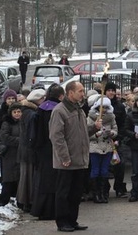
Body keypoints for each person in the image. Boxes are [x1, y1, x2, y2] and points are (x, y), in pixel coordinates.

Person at [49, 81, 101, 232]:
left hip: (80, 160)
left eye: (83, 91)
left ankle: (72, 220)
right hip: (67, 161)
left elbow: (82, 132)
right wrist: (64, 157)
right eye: (80, 91)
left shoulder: (79, 110)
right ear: (70, 93)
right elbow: (56, 136)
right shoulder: (60, 111)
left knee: (76, 193)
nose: (83, 94)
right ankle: (62, 221)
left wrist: (93, 128)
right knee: (63, 193)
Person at [31, 84, 65, 220]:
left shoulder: (41, 109)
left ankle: (42, 209)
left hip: (42, 148)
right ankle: (52, 210)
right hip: (54, 148)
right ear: (61, 96)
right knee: (54, 180)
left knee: (44, 180)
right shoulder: (57, 110)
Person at [17, 88, 46, 213]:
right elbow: (32, 134)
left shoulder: (26, 112)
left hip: (24, 149)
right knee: (29, 177)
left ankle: (24, 201)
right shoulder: (32, 114)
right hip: (29, 150)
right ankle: (27, 202)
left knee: (25, 176)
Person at [87, 97, 118, 204]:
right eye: (102, 107)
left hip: (107, 146)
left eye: (105, 107)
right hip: (95, 147)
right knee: (95, 170)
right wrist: (96, 134)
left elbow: (115, 129)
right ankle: (96, 194)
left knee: (105, 170)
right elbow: (87, 133)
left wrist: (112, 133)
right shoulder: (90, 118)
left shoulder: (111, 117)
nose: (103, 109)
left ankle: (103, 193)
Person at [104, 82, 128, 198]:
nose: (111, 93)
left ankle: (119, 187)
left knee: (120, 164)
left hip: (117, 139)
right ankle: (104, 188)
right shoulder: (100, 105)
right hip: (103, 140)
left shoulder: (119, 106)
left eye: (113, 90)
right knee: (105, 166)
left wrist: (118, 138)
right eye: (109, 90)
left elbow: (123, 124)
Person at [0, 102, 22, 206]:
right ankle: (3, 200)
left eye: (19, 111)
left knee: (19, 178)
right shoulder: (6, 123)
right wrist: (19, 141)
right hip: (9, 153)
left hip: (20, 153)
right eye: (14, 112)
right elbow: (4, 137)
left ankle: (20, 200)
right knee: (8, 178)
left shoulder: (23, 123)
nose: (17, 114)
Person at [0, 89, 17, 154]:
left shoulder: (19, 110)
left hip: (16, 142)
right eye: (9, 98)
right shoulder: (1, 112)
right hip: (3, 143)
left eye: (13, 98)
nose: (11, 100)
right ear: (5, 100)